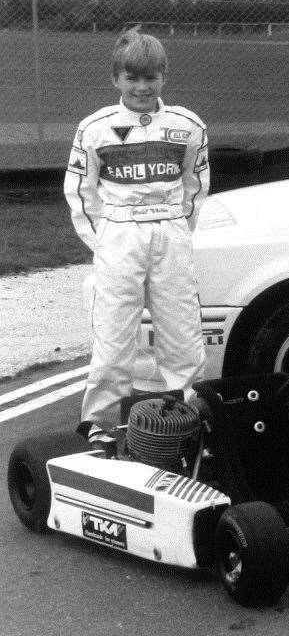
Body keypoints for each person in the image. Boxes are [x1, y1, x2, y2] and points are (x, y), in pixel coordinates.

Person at [64, 28, 210, 449]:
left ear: (164, 77)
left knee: (182, 330)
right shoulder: (94, 128)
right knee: (113, 334)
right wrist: (105, 240)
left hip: (170, 232)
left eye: (151, 78)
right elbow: (80, 192)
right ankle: (99, 422)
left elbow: (196, 185)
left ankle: (190, 412)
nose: (142, 87)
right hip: (118, 235)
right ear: (116, 79)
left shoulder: (187, 124)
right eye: (132, 78)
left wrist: (177, 228)